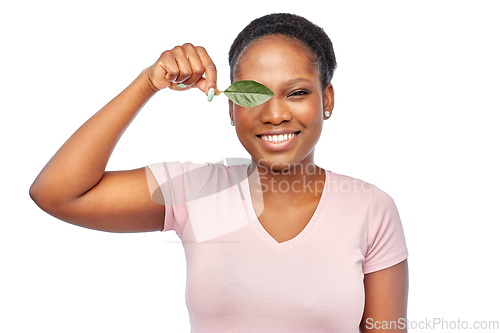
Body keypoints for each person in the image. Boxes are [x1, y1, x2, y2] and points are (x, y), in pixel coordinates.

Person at [30, 13, 409, 332]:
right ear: (231, 109)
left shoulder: (370, 208)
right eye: (253, 94)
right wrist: (148, 83)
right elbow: (57, 194)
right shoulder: (195, 191)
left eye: (296, 93)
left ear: (326, 100)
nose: (275, 114)